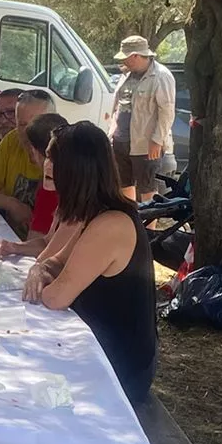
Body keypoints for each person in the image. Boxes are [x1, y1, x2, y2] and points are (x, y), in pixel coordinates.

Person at [22, 123, 158, 405]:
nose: (46, 164)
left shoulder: (111, 224)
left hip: (118, 370)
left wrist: (44, 279)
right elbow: (52, 263)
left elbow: (56, 296)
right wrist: (40, 270)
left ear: (74, 169)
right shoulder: (96, 213)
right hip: (93, 348)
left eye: (52, 158)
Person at [0, 86, 59, 234]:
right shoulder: (12, 139)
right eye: (22, 125)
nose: (28, 132)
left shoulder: (63, 157)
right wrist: (12, 204)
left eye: (36, 124)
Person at [110, 36, 177, 198]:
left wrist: (157, 140)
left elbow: (166, 112)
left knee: (147, 189)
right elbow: (117, 106)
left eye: (126, 57)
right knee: (123, 186)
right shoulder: (126, 75)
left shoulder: (161, 76)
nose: (124, 61)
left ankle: (147, 224)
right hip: (120, 142)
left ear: (136, 56)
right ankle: (130, 221)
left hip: (145, 145)